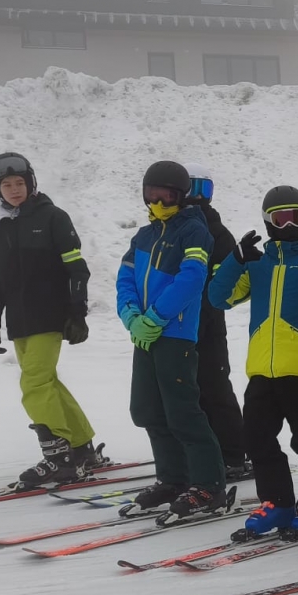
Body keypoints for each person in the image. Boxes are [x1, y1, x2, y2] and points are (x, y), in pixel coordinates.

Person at [208, 185, 298, 537]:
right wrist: (236, 259)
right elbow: (218, 297)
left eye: (295, 217)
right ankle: (279, 503)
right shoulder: (257, 265)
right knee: (256, 438)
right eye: (280, 219)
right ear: (267, 222)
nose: (288, 225)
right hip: (261, 371)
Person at [0, 151, 102, 487]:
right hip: (20, 321)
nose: (14, 189)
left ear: (31, 183)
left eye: (19, 183)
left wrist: (77, 313)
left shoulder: (53, 217)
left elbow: (77, 269)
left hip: (50, 315)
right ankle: (81, 447)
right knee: (47, 382)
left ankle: (60, 457)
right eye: (6, 185)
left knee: (34, 383)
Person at [115, 160, 228, 517]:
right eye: (152, 195)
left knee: (182, 412)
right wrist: (131, 316)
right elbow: (125, 278)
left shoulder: (194, 230)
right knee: (147, 410)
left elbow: (192, 278)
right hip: (144, 336)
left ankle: (209, 485)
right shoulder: (144, 236)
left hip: (175, 334)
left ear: (181, 196)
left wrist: (156, 316)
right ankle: (172, 479)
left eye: (167, 196)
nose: (159, 202)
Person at [185, 164, 251, 481]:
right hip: (179, 324)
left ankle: (234, 453)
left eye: (204, 189)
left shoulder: (217, 231)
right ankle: (201, 448)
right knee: (188, 389)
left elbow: (225, 281)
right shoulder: (176, 228)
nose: (198, 197)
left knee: (214, 386)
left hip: (208, 324)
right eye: (192, 188)